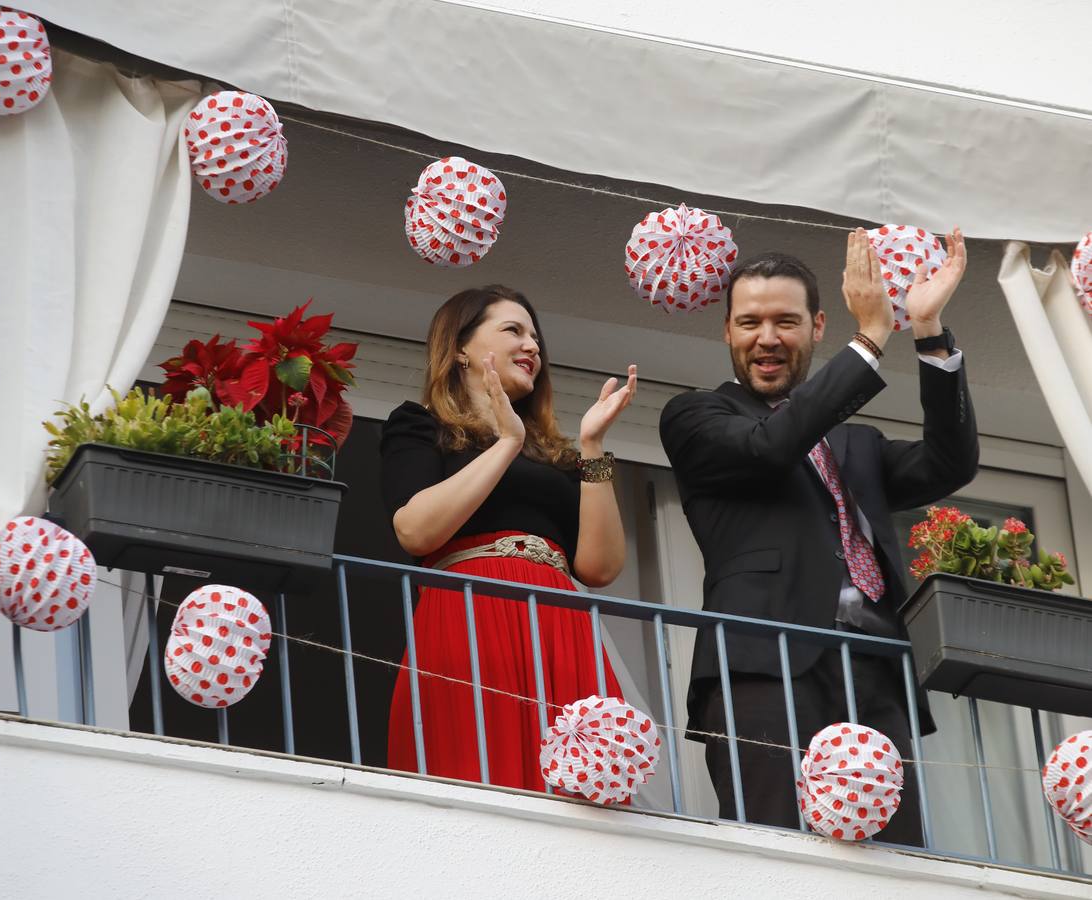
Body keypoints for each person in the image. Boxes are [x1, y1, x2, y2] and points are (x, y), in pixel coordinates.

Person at [659, 228, 979, 844]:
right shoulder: (696, 415)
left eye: (786, 321)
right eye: (749, 322)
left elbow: (949, 464)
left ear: (817, 327)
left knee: (895, 864)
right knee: (774, 846)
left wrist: (930, 331)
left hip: (875, 667)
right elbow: (770, 447)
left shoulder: (855, 441)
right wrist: (873, 337)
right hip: (764, 663)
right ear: (726, 331)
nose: (768, 339)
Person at [381, 284, 637, 790]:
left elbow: (599, 568)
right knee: (472, 768)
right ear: (460, 348)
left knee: (576, 786)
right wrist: (507, 442)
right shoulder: (420, 426)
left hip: (560, 623)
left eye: (536, 338)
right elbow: (414, 530)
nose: (533, 346)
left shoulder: (559, 457)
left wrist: (592, 447)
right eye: (513, 331)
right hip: (468, 614)